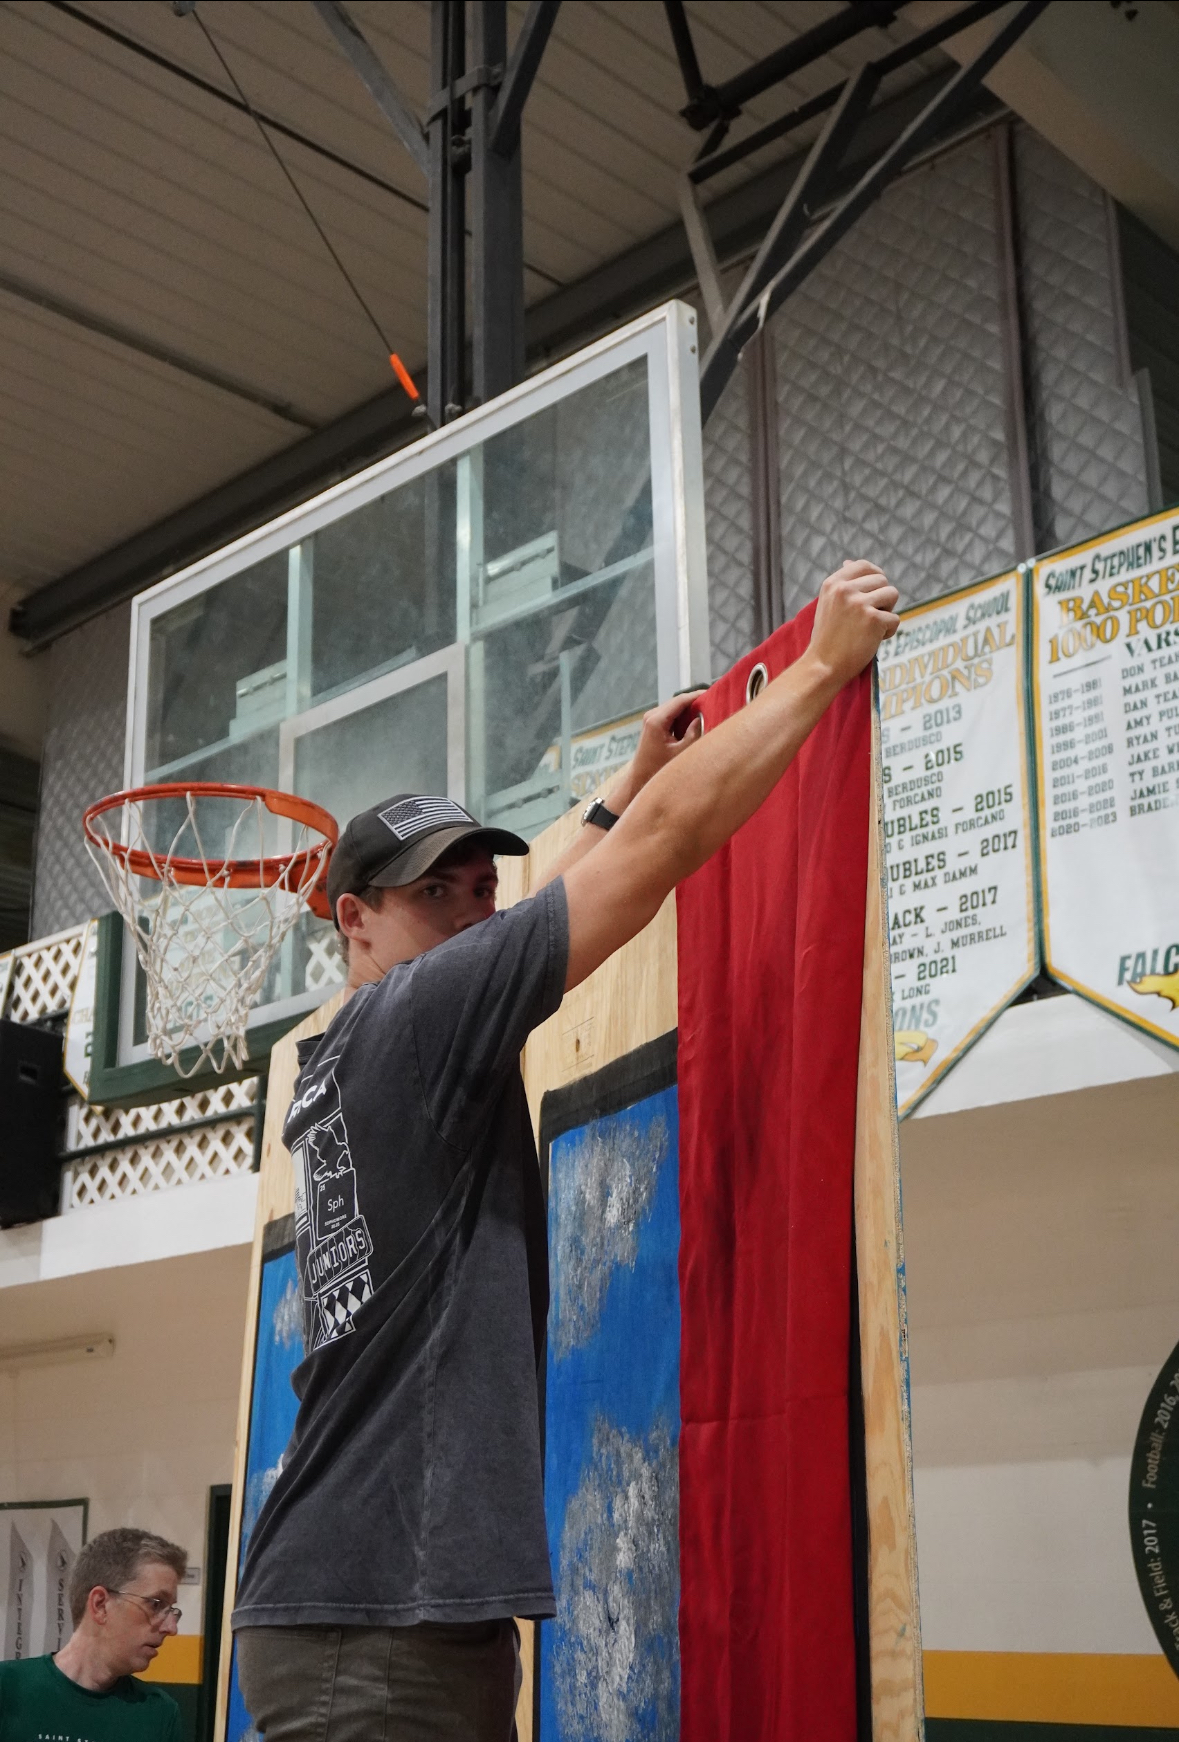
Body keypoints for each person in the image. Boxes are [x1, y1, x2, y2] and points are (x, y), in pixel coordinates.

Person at [232, 560, 899, 1739]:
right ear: (355, 918)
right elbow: (651, 860)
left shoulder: (345, 1051)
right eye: (442, 893)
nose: (477, 913)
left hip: (357, 1600)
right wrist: (818, 672)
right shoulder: (422, 1014)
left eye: (486, 888)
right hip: (381, 1620)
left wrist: (626, 777)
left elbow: (570, 880)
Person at [0, 1526, 187, 1741]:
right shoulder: (8, 1689)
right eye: (156, 1604)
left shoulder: (159, 1713)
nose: (171, 1628)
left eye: (172, 1610)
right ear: (100, 1605)